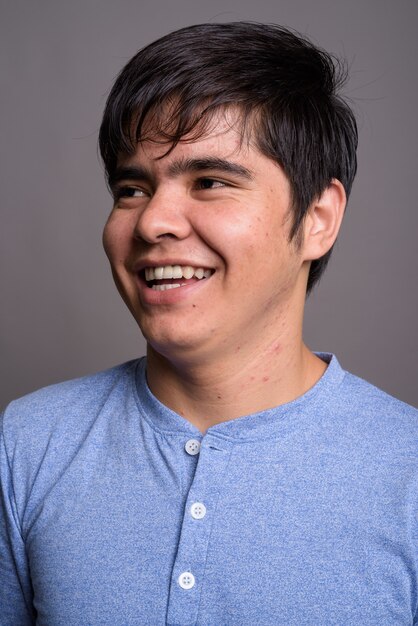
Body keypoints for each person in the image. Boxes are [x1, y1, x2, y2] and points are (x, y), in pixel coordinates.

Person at [0, 22, 417, 626]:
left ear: (318, 219)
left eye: (211, 182)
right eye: (131, 187)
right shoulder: (27, 444)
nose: (152, 223)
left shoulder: (406, 472)